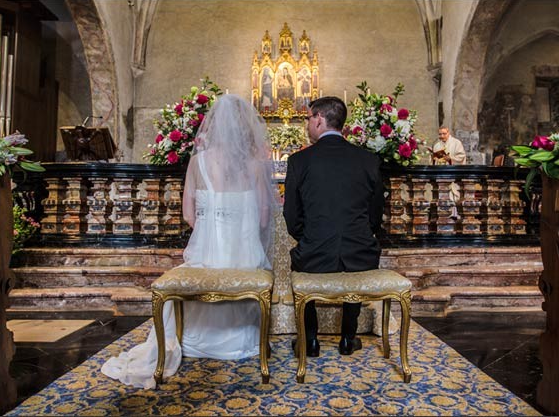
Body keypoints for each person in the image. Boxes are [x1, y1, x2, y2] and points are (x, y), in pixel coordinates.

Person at [102, 95, 277, 389]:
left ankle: (193, 339)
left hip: (207, 255)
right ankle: (239, 340)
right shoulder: (256, 165)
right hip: (244, 257)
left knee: (195, 271)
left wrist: (212, 231)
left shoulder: (198, 163)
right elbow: (263, 220)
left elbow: (188, 215)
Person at [283, 96, 384, 357]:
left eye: (308, 119)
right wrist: (357, 235)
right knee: (352, 267)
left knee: (299, 260)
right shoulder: (368, 160)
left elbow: (291, 216)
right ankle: (348, 339)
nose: (307, 125)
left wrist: (313, 237)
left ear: (319, 119)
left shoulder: (299, 161)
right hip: (361, 253)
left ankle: (311, 340)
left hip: (315, 254)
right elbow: (375, 215)